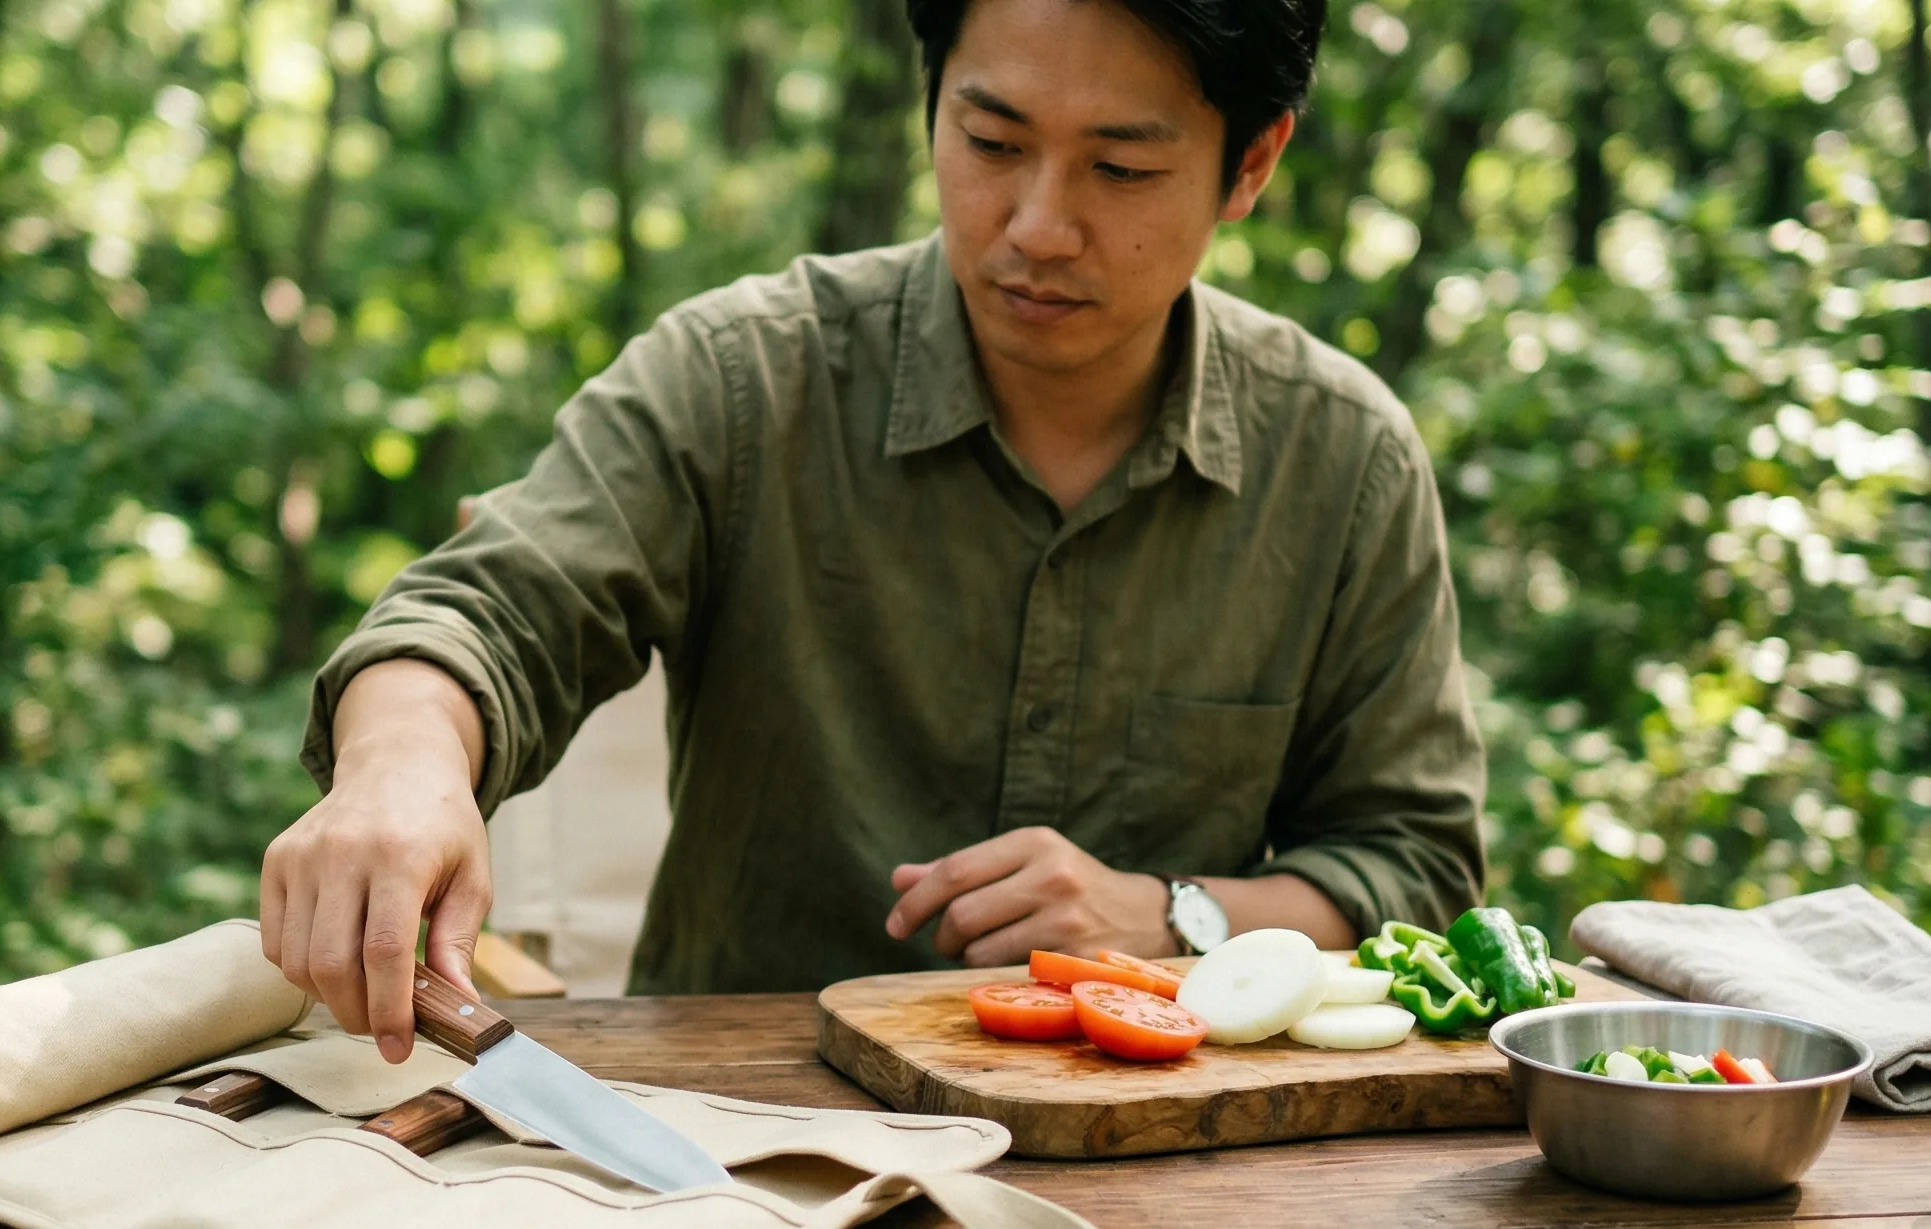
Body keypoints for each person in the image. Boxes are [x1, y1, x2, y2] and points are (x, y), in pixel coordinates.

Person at [260, 0, 1486, 1065]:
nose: (1038, 226)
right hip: (734, 1131)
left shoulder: (1338, 458)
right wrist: (397, 770)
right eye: (991, 141)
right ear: (931, 102)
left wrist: (1169, 918)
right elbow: (488, 612)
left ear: (1250, 162)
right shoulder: (744, 380)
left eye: (1119, 170)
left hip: (1158, 1142)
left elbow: (1413, 868)